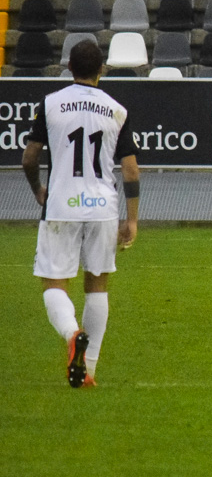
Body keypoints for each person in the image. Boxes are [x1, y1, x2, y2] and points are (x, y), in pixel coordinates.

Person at [21, 40, 140, 388]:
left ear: (69, 68)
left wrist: (38, 190)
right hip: (103, 207)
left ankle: (73, 334)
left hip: (61, 205)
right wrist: (131, 219)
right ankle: (88, 371)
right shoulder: (116, 110)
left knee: (54, 284)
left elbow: (30, 158)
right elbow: (131, 172)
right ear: (101, 70)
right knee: (97, 285)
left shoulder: (51, 104)